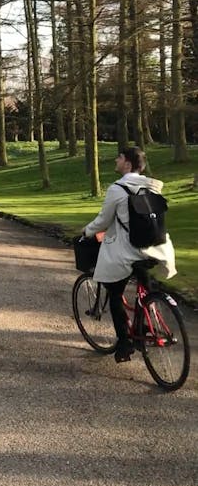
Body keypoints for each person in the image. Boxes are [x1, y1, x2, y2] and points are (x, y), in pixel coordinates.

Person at [82, 146, 175, 364]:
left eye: (120, 157)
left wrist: (87, 232)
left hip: (127, 251)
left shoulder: (118, 188)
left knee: (115, 293)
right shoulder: (153, 187)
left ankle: (124, 343)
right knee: (145, 287)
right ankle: (146, 321)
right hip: (156, 248)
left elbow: (104, 220)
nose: (116, 160)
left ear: (128, 164)